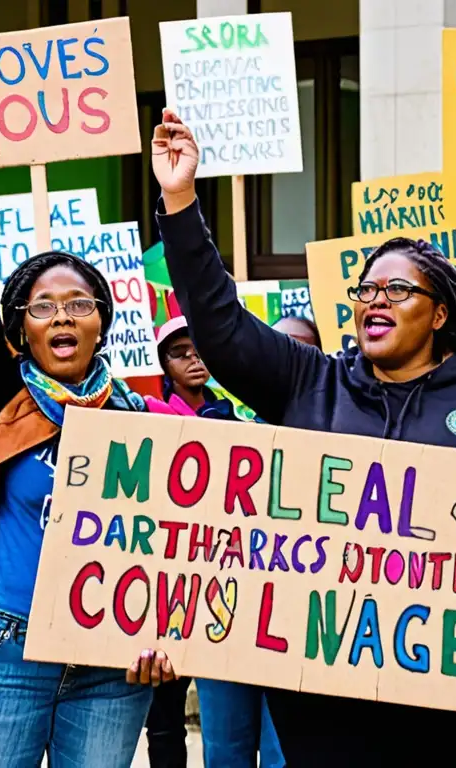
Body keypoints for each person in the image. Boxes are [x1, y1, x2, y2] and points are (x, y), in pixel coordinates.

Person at [152, 109, 456, 766]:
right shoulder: (309, 384)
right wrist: (181, 201)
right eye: (366, 288)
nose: (374, 300)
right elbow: (221, 325)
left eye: (398, 289)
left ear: (440, 314)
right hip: (328, 697)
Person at [0, 130, 174, 767]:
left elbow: (182, 542)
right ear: (20, 329)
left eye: (79, 304)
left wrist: (172, 631)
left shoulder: (145, 422)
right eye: (43, 307)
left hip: (114, 661)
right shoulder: (5, 401)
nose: (62, 316)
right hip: (4, 649)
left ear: (102, 323)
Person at [142, 315, 282, 767]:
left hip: (232, 575)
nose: (193, 360)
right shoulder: (151, 413)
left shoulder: (232, 410)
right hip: (176, 579)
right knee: (166, 712)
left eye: (198, 350)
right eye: (180, 353)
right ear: (164, 363)